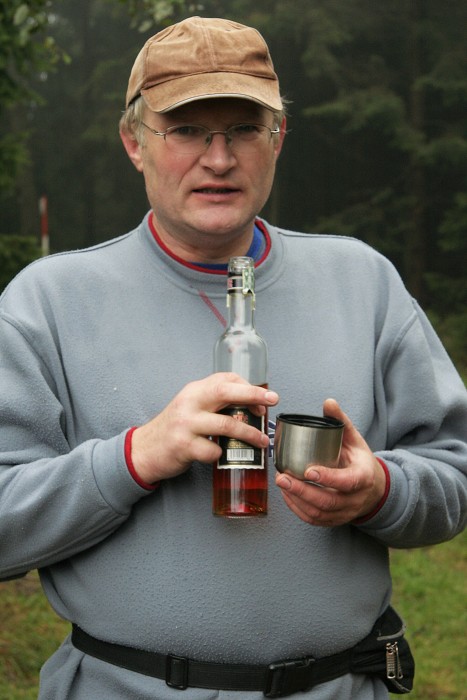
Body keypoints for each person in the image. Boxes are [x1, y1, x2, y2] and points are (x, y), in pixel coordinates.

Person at [0, 16, 466, 700]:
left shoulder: (362, 282)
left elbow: (454, 474)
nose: (218, 159)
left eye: (244, 130)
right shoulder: (48, 301)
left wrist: (382, 491)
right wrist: (133, 457)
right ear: (134, 141)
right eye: (186, 130)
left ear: (278, 139)